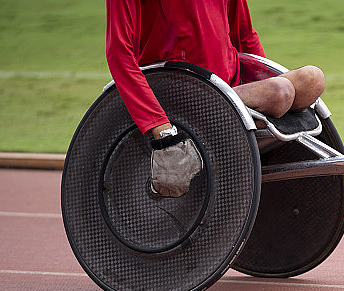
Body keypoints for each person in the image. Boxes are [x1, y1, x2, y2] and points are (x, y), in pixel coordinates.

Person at [105, 0, 325, 197]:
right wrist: (160, 127)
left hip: (229, 84)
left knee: (313, 79)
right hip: (178, 90)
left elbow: (245, 36)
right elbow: (119, 53)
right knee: (280, 93)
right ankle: (242, 125)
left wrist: (259, 80)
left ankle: (251, 129)